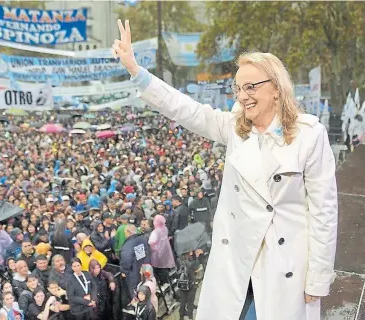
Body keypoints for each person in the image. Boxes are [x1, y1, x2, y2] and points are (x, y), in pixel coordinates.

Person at [113, 19, 338, 319]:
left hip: (284, 271)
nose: (242, 95)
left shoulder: (310, 134)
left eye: (251, 86)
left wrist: (318, 277)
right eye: (238, 87)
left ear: (276, 89)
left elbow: (324, 212)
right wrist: (136, 72)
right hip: (235, 268)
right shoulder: (235, 127)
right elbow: (186, 109)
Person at [119, 224, 151, 300]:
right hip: (146, 268)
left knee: (136, 292)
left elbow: (126, 259)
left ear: (129, 232)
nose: (125, 235)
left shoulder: (128, 245)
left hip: (134, 272)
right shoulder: (142, 239)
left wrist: (124, 271)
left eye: (125, 233)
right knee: (146, 287)